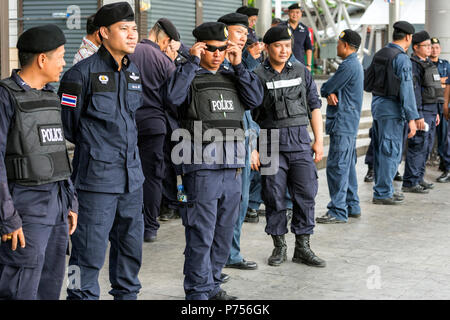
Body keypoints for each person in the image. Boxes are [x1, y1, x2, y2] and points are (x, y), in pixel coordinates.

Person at [163, 21, 263, 300]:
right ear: (199, 48)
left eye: (222, 49)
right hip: (200, 167)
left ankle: (213, 284)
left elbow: (255, 99)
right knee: (201, 233)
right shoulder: (186, 75)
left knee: (223, 233)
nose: (217, 54)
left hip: (232, 167)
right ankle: (197, 291)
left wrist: (240, 64)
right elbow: (171, 98)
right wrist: (192, 62)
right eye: (211, 49)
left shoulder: (234, 76)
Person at [59, 2, 145, 300]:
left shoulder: (134, 73)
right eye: (124, 29)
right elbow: (67, 127)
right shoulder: (78, 75)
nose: (132, 35)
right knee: (85, 255)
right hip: (95, 182)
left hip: (132, 181)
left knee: (130, 251)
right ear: (104, 33)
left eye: (134, 29)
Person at [0, 24, 78, 299]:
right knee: (21, 289)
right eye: (60, 55)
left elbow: (57, 153)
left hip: (55, 211)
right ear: (42, 59)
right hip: (25, 212)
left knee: (49, 286)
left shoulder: (49, 97)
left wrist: (70, 202)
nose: (64, 62)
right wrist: (8, 218)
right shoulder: (5, 97)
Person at [252, 25, 326, 268]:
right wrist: (253, 147)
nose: (284, 50)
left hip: (299, 141)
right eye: (278, 46)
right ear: (267, 48)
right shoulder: (257, 75)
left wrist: (318, 140)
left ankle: (303, 247)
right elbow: (249, 117)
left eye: (287, 45)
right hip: (270, 142)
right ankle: (279, 246)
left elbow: (314, 106)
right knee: (273, 195)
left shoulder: (302, 71)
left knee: (306, 194)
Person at [129, 18, 179, 242]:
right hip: (154, 126)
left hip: (128, 125)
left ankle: (130, 225)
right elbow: (175, 97)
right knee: (152, 178)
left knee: (128, 175)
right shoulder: (163, 60)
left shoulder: (128, 52)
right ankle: (150, 227)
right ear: (165, 39)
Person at [217, 12, 260, 272]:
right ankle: (216, 257)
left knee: (241, 201)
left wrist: (253, 146)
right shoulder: (211, 64)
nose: (243, 38)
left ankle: (231, 253)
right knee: (219, 204)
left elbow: (251, 107)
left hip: (243, 143)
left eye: (245, 33)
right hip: (216, 146)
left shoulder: (241, 64)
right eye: (238, 32)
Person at [364, 21, 419, 205]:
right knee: (390, 151)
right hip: (392, 110)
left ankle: (384, 188)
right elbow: (406, 89)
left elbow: (368, 81)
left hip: (378, 106)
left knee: (381, 150)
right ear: (409, 38)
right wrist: (412, 117)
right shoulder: (401, 58)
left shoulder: (381, 53)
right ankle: (382, 193)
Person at [316, 29, 363, 224]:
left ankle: (337, 210)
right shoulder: (355, 64)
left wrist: (328, 92)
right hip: (348, 121)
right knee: (348, 166)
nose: (336, 47)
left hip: (343, 122)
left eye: (338, 43)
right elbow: (331, 90)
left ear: (345, 45)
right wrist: (331, 93)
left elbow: (327, 86)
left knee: (337, 166)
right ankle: (352, 205)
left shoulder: (348, 66)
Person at [402, 30, 442, 194]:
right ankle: (410, 181)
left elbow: (433, 89)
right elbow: (415, 92)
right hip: (423, 111)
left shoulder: (428, 63)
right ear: (416, 47)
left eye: (430, 46)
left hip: (432, 111)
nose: (429, 48)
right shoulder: (413, 64)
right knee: (417, 145)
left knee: (426, 146)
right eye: (425, 46)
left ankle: (419, 178)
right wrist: (417, 115)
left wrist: (437, 112)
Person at [430, 37, 449, 173]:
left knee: (443, 136)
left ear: (440, 49)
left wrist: (439, 82)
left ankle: (444, 164)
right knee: (429, 136)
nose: (434, 50)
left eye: (437, 47)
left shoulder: (445, 64)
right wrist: (441, 82)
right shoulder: (425, 64)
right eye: (432, 47)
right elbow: (431, 83)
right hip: (430, 103)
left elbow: (446, 83)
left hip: (442, 103)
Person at [279, 3, 313, 70]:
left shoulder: (304, 29)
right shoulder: (281, 27)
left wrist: (308, 65)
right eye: (292, 12)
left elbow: (308, 48)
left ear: (301, 14)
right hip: (283, 64)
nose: (295, 15)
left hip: (300, 65)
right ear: (288, 13)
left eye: (297, 12)